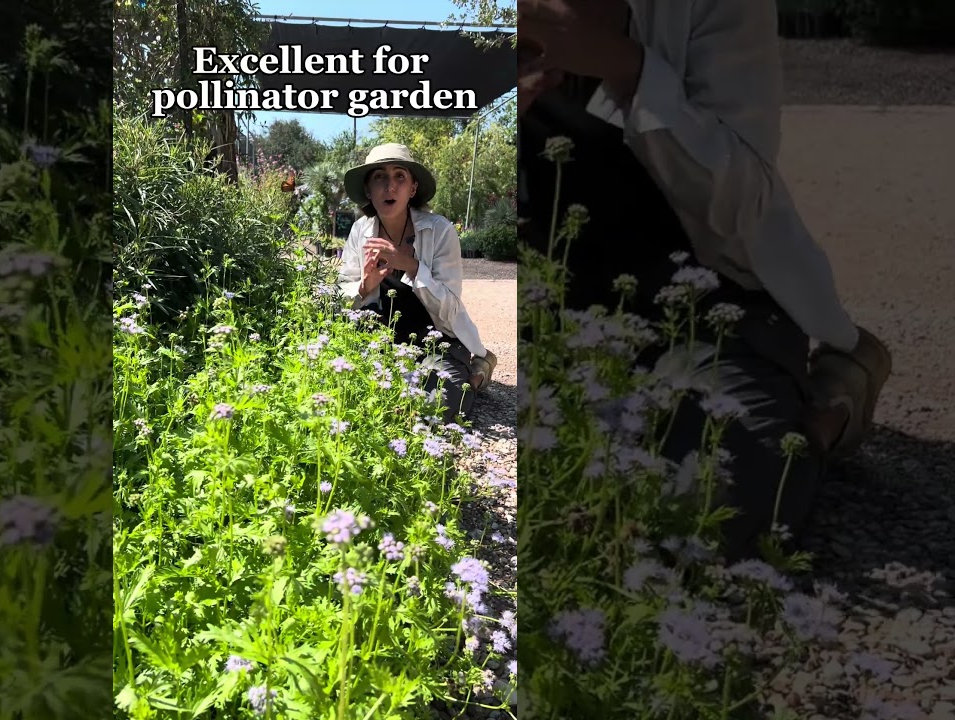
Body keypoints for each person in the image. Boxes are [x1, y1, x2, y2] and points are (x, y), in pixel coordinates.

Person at [518, 0, 893, 560]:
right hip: (542, 309)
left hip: (699, 307)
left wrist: (630, 70)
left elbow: (746, 207)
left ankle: (829, 409)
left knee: (702, 505)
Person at [338, 142, 498, 425]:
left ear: (412, 189)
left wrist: (410, 266)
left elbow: (449, 308)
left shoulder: (439, 231)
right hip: (379, 340)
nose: (390, 187)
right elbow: (341, 297)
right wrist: (364, 286)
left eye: (400, 176)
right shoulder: (360, 230)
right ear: (368, 190)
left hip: (436, 340)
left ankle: (474, 376)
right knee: (349, 395)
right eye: (379, 177)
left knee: (433, 409)